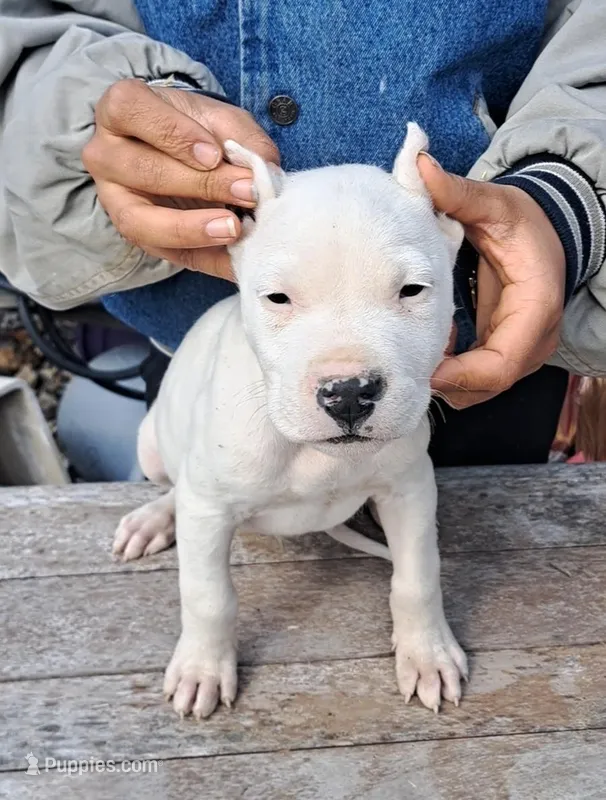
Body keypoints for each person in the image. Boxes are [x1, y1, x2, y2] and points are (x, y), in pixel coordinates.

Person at [1, 0, 605, 466]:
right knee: (212, 495)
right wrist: (104, 120)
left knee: (473, 542)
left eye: (409, 289)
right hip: (197, 347)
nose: (348, 381)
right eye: (281, 296)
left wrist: (570, 196)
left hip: (501, 346)